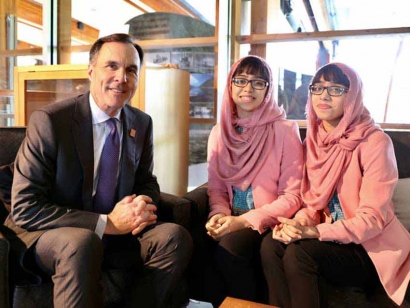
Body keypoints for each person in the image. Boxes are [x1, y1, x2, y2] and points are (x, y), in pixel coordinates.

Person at [4, 33, 192, 308]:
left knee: (174, 238)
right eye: (112, 66)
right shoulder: (50, 121)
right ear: (91, 71)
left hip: (114, 233)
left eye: (131, 70)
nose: (122, 77)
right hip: (51, 231)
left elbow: (146, 180)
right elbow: (25, 208)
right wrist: (106, 223)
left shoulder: (141, 123)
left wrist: (141, 203)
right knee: (82, 242)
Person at [260, 62, 410, 307]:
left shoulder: (375, 142)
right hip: (332, 237)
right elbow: (313, 204)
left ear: (352, 96)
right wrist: (298, 223)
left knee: (300, 254)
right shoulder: (314, 140)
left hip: (370, 248)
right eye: (317, 88)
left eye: (336, 89)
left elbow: (372, 219)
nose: (324, 96)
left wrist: (314, 232)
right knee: (271, 244)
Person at [201, 55, 303, 306]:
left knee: (231, 247)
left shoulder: (285, 130)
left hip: (267, 220)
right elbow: (216, 188)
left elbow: (292, 196)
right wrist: (218, 215)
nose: (248, 88)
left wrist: (241, 221)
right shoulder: (220, 131)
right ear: (231, 85)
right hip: (231, 216)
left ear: (268, 90)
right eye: (241, 80)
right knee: (196, 246)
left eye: (258, 82)